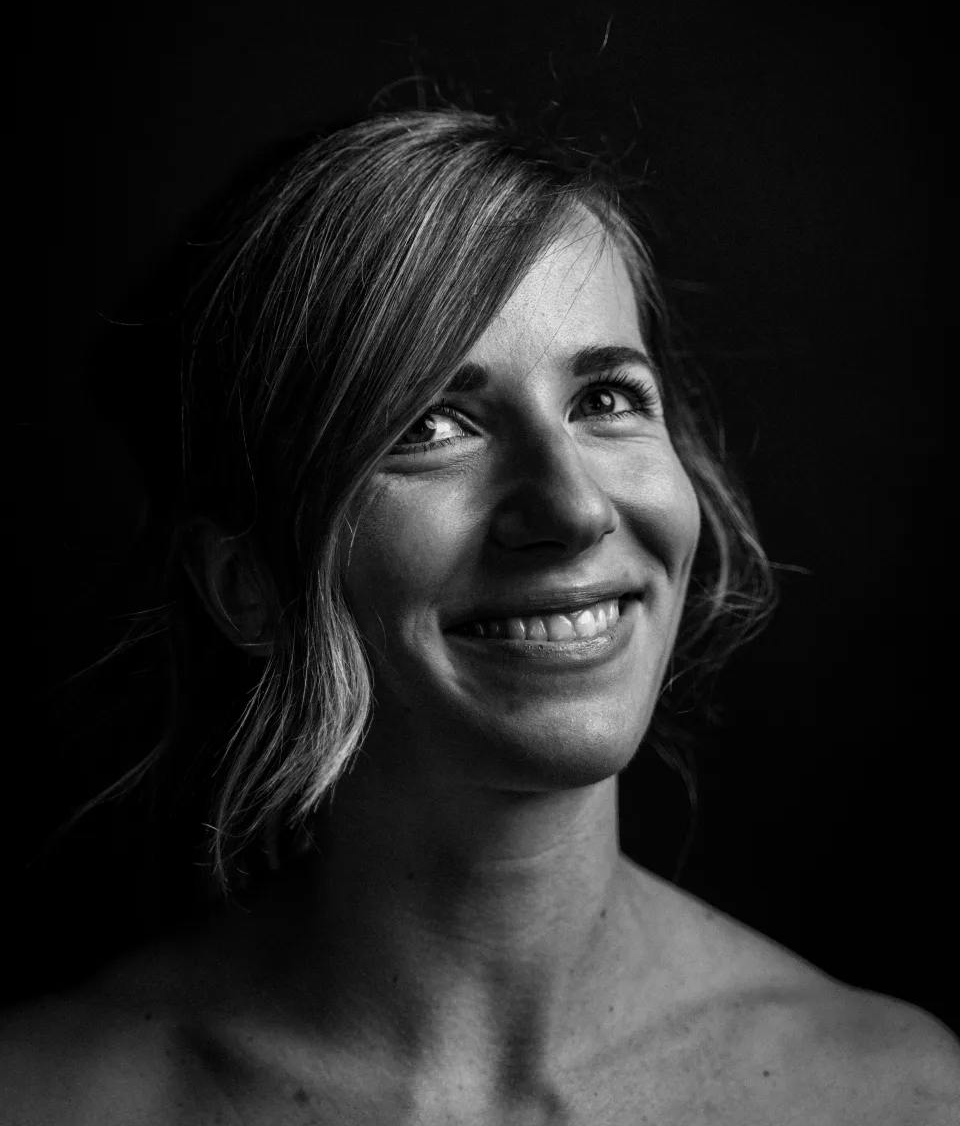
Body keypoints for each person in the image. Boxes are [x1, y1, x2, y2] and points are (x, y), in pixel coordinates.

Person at [2, 106, 957, 1124]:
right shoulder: (46, 1097)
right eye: (431, 423)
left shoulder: (899, 1095)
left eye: (605, 400)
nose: (574, 509)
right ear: (251, 585)